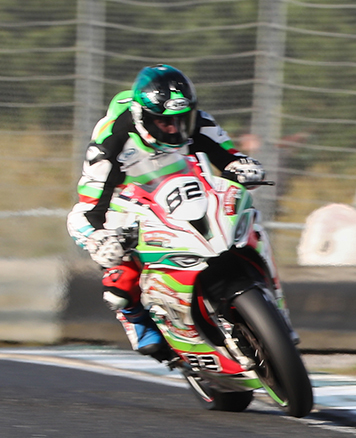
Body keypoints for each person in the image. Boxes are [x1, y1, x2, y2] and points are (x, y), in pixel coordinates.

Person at [67, 65, 266, 362]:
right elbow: (86, 208)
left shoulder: (197, 121)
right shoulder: (112, 141)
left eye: (181, 120)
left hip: (186, 189)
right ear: (143, 117)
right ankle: (135, 318)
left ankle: (262, 284)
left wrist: (243, 167)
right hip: (132, 199)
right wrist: (99, 239)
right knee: (118, 278)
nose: (175, 128)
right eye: (164, 122)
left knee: (243, 212)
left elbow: (229, 157)